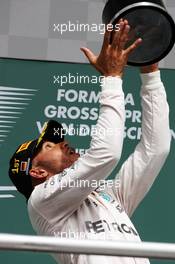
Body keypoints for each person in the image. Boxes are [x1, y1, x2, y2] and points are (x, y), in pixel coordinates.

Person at [9, 20, 171, 264]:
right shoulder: (42, 202)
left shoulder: (108, 195)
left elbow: (155, 149)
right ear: (37, 171)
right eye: (50, 145)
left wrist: (150, 73)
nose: (63, 142)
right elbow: (106, 153)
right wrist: (112, 78)